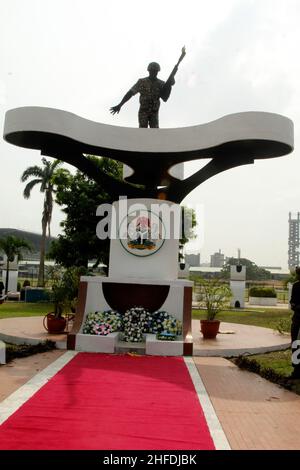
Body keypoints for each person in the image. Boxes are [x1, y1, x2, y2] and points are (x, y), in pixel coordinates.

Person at [110, 62, 175, 128]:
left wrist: (169, 85)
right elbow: (130, 93)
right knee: (142, 132)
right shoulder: (142, 82)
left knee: (155, 132)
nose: (153, 73)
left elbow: (165, 98)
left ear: (157, 72)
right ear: (149, 71)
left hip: (154, 112)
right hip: (143, 112)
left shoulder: (161, 84)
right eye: (152, 71)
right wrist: (120, 104)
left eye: (155, 71)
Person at [289, 266, 300, 379]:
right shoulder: (296, 286)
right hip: (297, 318)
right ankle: (296, 370)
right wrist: (296, 307)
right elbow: (292, 302)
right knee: (296, 344)